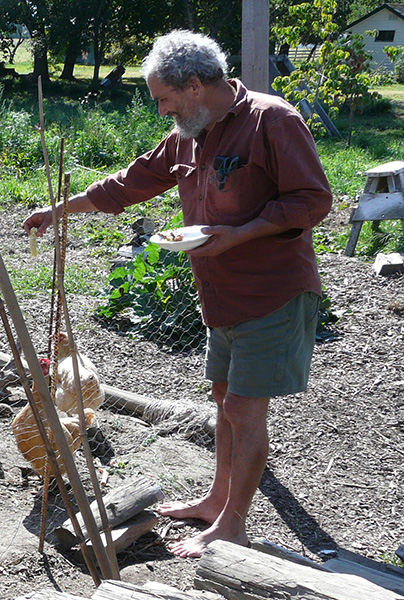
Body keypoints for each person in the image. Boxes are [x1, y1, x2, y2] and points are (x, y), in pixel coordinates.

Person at [24, 29, 332, 558]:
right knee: (221, 400)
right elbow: (130, 182)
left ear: (194, 86)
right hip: (220, 293)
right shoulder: (191, 132)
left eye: (165, 100)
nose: (163, 111)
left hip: (272, 293)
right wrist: (58, 211)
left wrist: (240, 234)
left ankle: (232, 523)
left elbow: (312, 200)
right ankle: (216, 499)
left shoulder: (271, 120)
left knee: (242, 407)